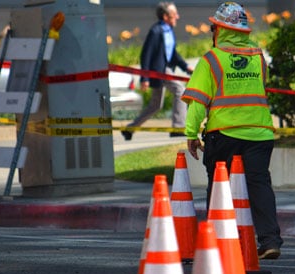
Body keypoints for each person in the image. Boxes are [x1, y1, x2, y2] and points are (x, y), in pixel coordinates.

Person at [182, 2, 283, 259]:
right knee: (259, 184)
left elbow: (197, 103)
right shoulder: (258, 57)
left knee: (219, 187)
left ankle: (215, 241)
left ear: (220, 30)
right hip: (260, 133)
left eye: (212, 27)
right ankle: (270, 240)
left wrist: (192, 134)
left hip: (224, 134)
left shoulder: (211, 59)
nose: (211, 32)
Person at [121, 2, 193, 141]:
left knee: (155, 105)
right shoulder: (156, 31)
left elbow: (172, 53)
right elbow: (146, 55)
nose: (177, 17)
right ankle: (178, 127)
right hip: (158, 71)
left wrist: (185, 66)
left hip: (164, 69)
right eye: (174, 14)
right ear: (165, 16)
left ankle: (130, 129)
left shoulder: (168, 30)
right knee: (181, 91)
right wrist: (145, 78)